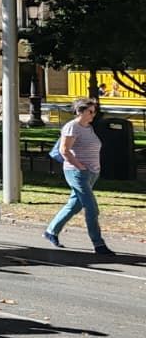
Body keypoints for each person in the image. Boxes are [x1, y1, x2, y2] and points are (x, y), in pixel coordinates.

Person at [44, 99, 113, 255]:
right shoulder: (72, 127)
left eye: (94, 111)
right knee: (92, 208)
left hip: (92, 173)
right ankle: (99, 244)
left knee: (74, 205)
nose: (93, 114)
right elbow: (64, 150)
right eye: (90, 111)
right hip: (77, 173)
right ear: (79, 111)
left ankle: (51, 231)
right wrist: (78, 166)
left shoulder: (88, 128)